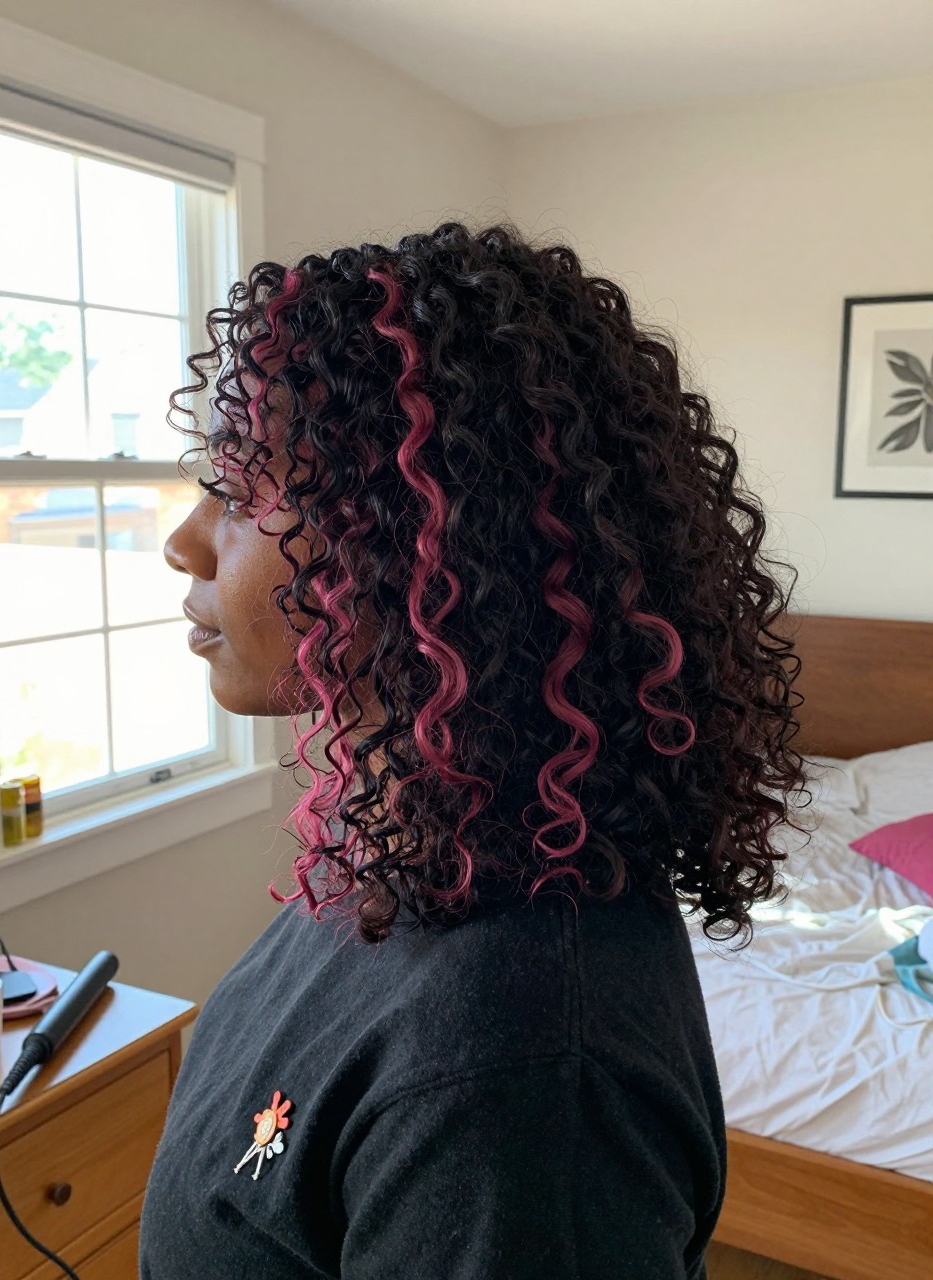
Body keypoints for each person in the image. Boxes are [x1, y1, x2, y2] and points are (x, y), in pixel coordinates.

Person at [139, 220, 809, 1279]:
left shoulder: (518, 1075)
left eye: (244, 489)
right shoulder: (396, 843)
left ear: (420, 533)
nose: (183, 540)